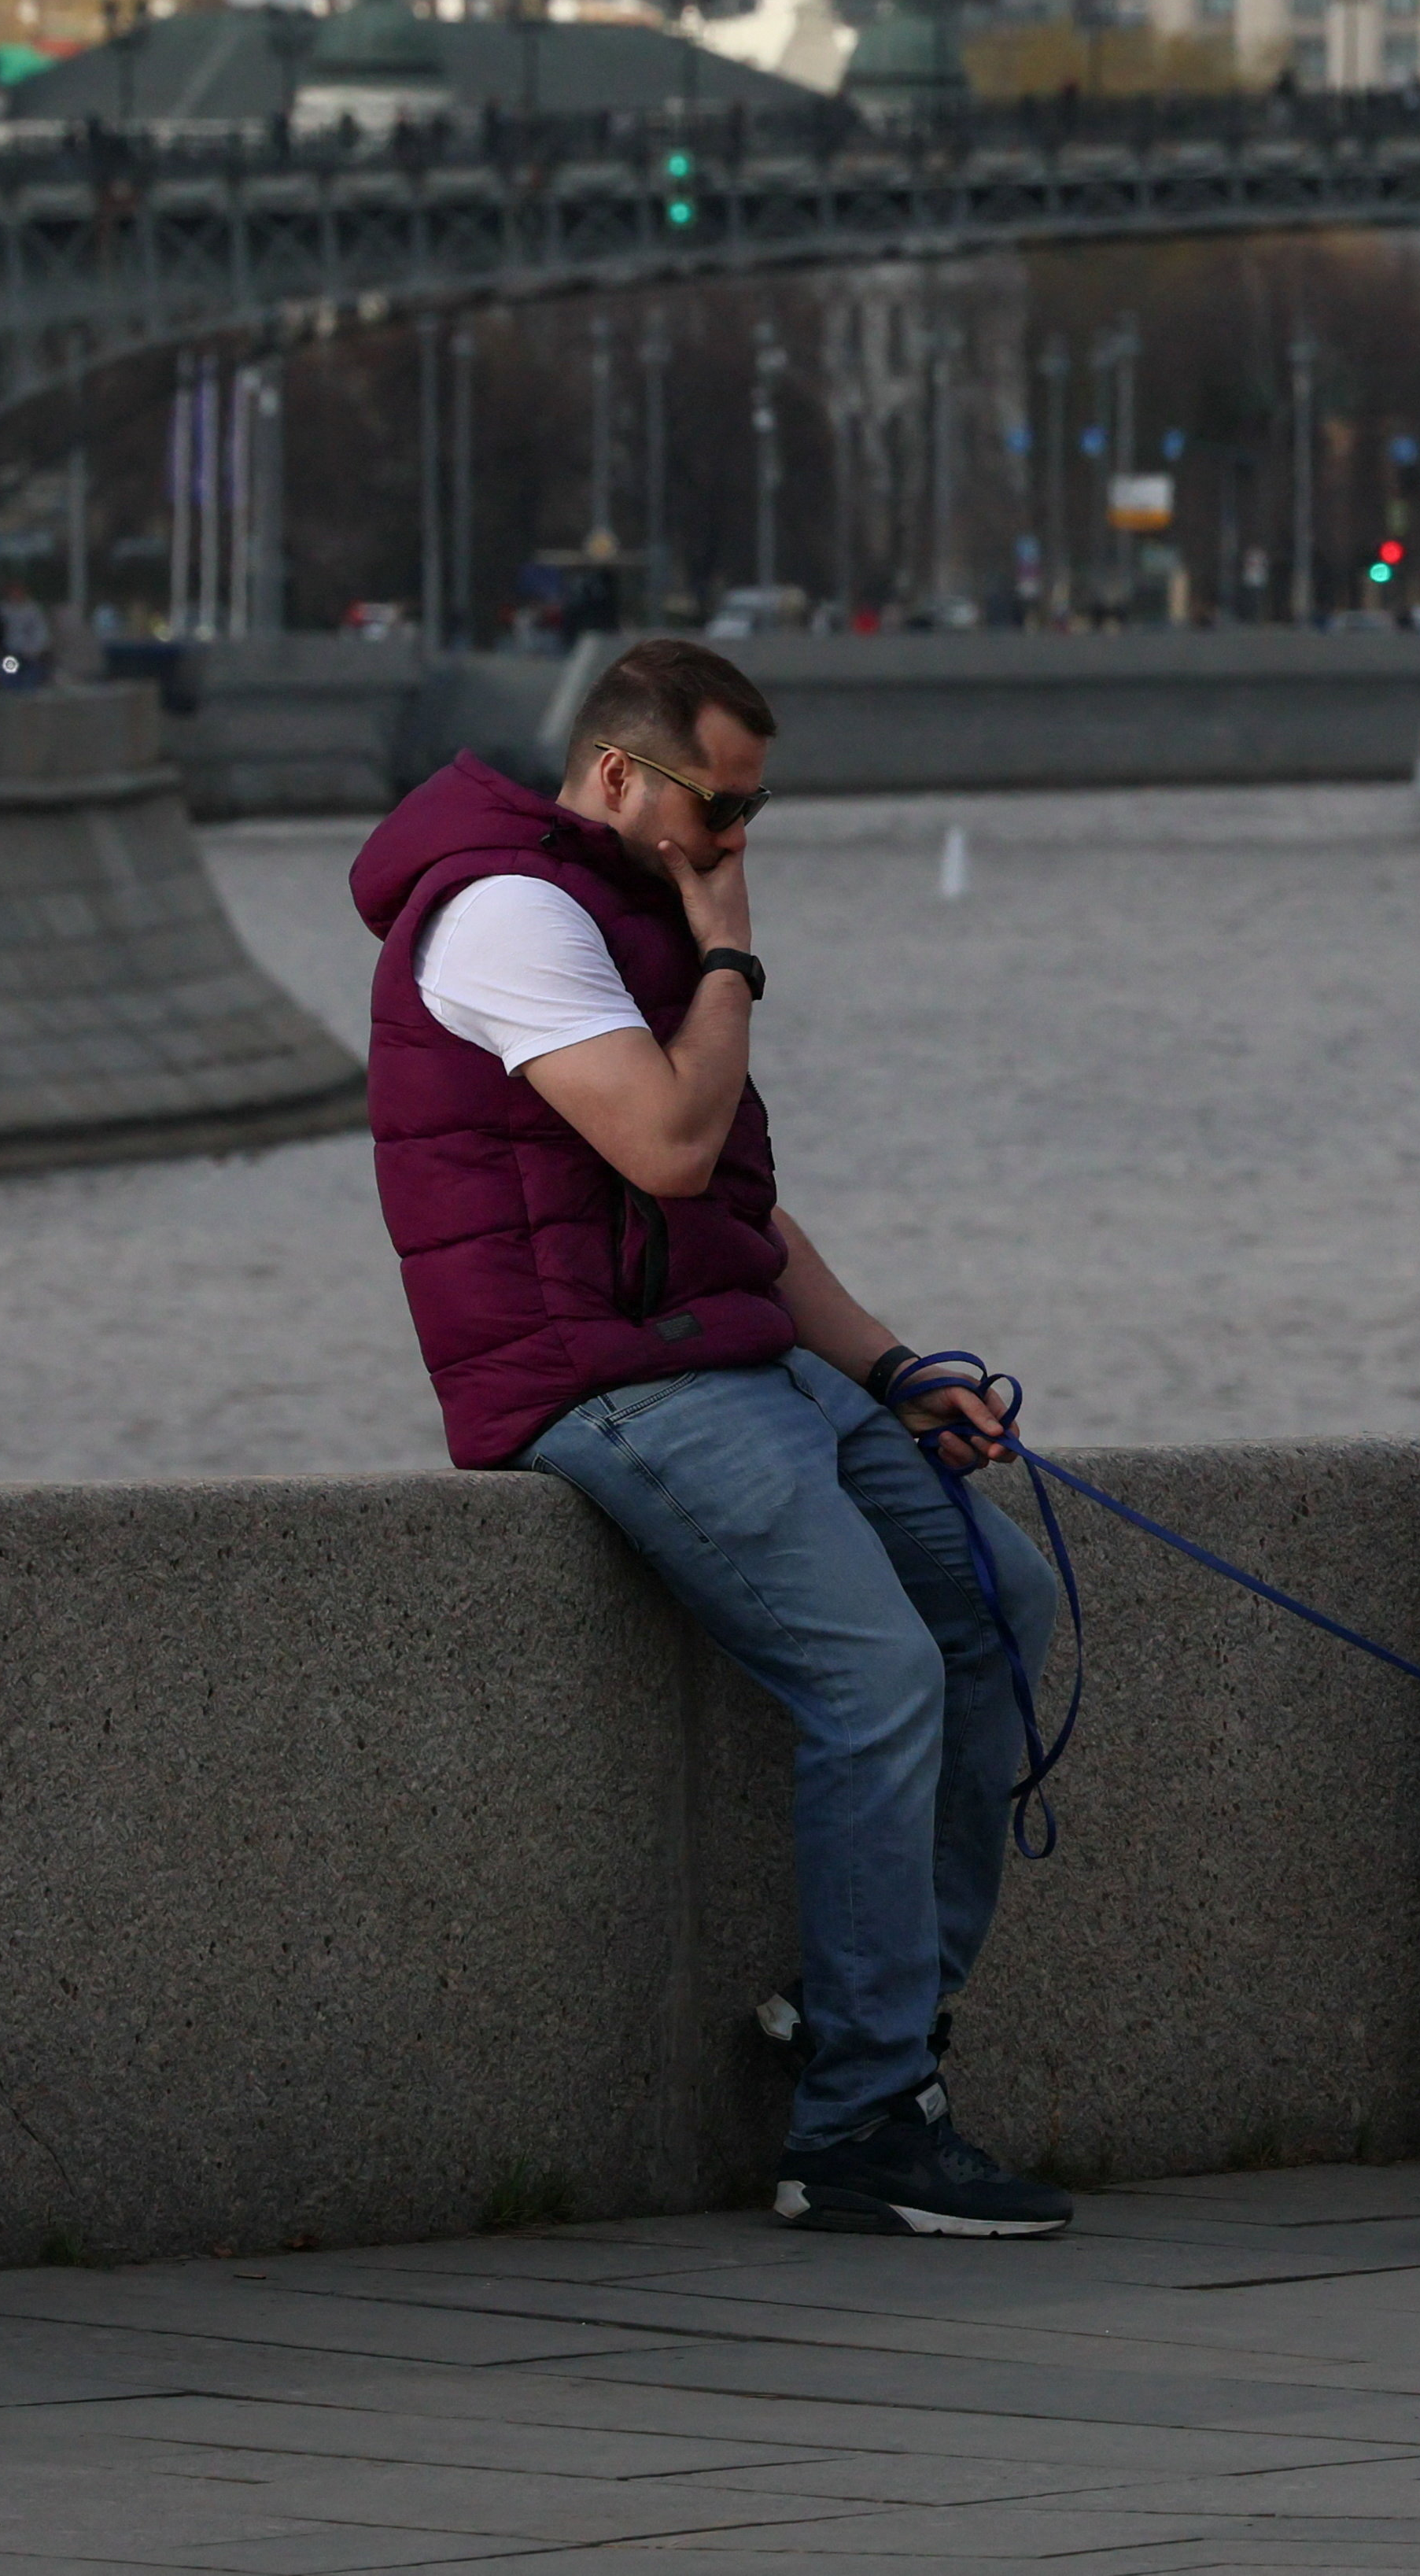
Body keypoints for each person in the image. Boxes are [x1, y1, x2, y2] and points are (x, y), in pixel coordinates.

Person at [344, 635, 1072, 2238]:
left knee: (1000, 1608)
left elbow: (738, 1211)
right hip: (601, 1381)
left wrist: (889, 1369)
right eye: (716, 807)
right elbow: (672, 1148)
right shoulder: (506, 914)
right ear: (617, 773)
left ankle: (869, 2014)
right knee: (872, 1669)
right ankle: (860, 2126)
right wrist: (733, 959)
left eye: (753, 810)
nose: (735, 842)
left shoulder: (618, 908)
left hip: (727, 1353)